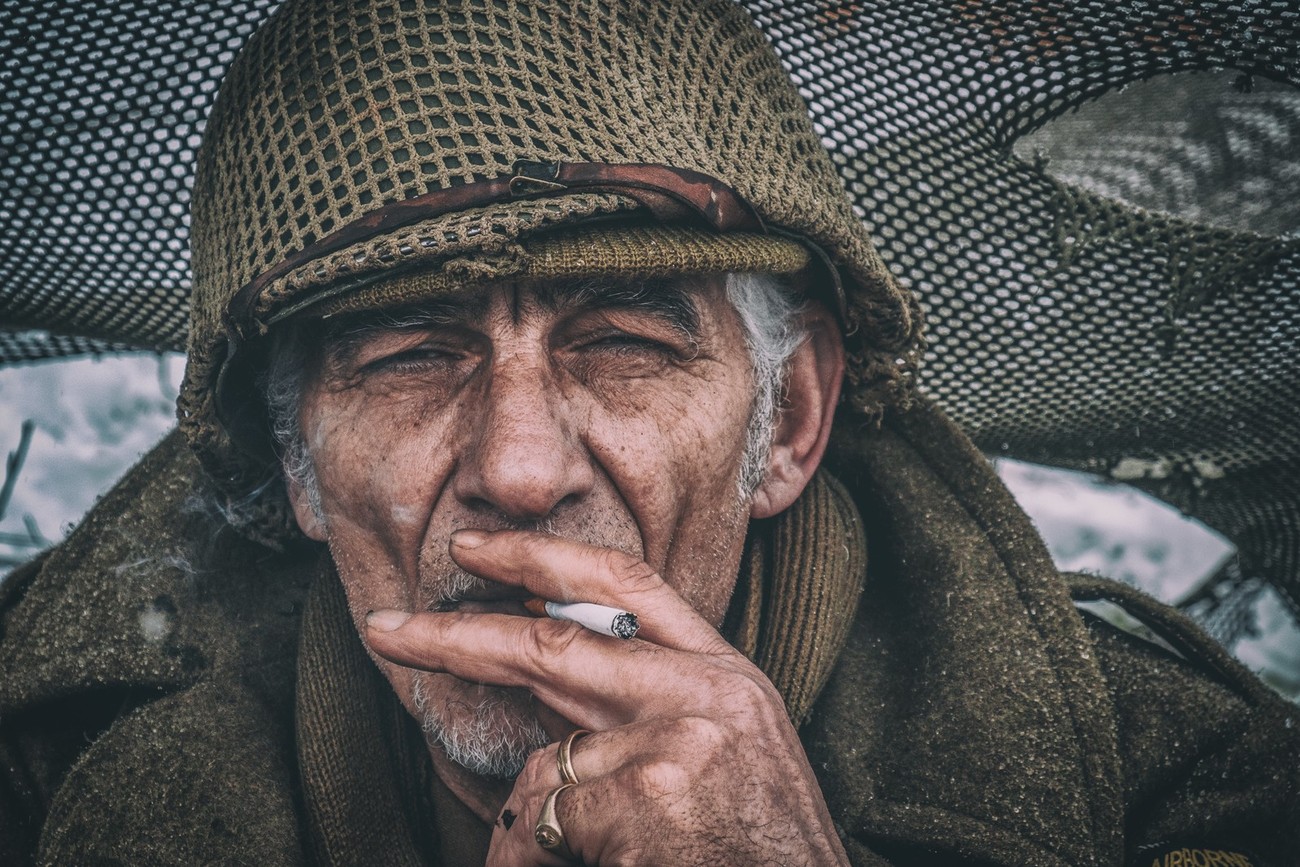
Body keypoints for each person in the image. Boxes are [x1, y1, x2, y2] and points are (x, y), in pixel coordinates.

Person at [2, 0, 1297, 864]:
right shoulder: (34, 764)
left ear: (789, 420)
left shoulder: (1181, 785)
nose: (520, 471)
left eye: (624, 342)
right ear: (297, 462)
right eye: (409, 356)